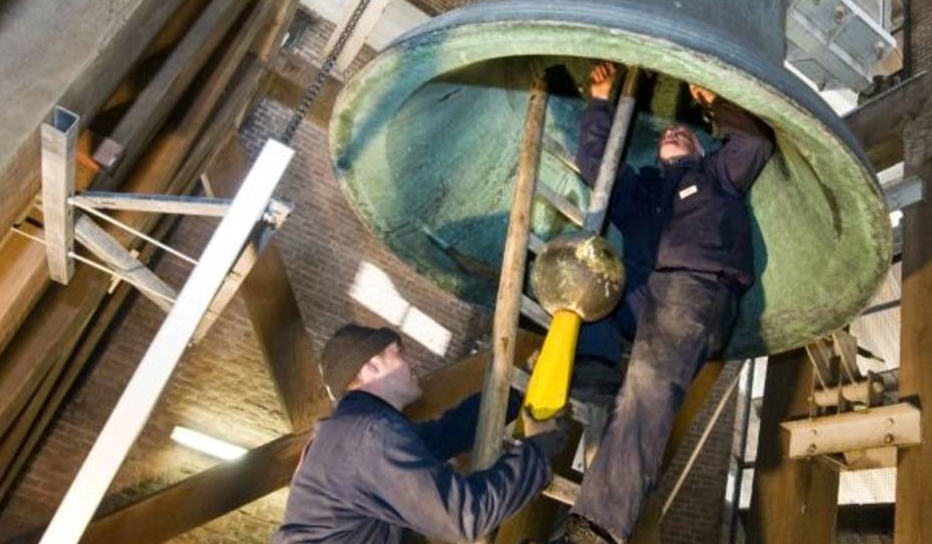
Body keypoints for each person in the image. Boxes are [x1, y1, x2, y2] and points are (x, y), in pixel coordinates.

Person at [562, 62, 776, 543]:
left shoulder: (717, 174)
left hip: (695, 292)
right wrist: (601, 101)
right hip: (646, 296)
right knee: (584, 280)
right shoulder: (643, 192)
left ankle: (597, 529)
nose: (674, 132)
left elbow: (754, 143)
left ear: (701, 148)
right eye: (667, 133)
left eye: (685, 133)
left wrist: (715, 103)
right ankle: (595, 370)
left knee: (648, 389)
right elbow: (597, 166)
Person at [273, 324, 564, 543]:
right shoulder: (368, 435)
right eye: (399, 352)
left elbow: (447, 434)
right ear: (371, 366)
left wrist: (517, 392)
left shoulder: (354, 434)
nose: (414, 363)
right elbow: (465, 516)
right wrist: (537, 449)